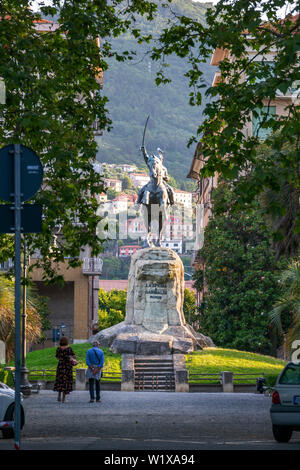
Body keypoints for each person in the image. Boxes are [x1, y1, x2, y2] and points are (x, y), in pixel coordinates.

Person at [53, 336, 76, 403]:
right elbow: (74, 356)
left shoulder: (58, 349)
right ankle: (63, 398)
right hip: (67, 367)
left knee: (60, 380)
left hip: (60, 366)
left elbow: (57, 357)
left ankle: (59, 396)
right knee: (66, 381)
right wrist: (70, 358)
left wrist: (62, 359)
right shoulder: (69, 349)